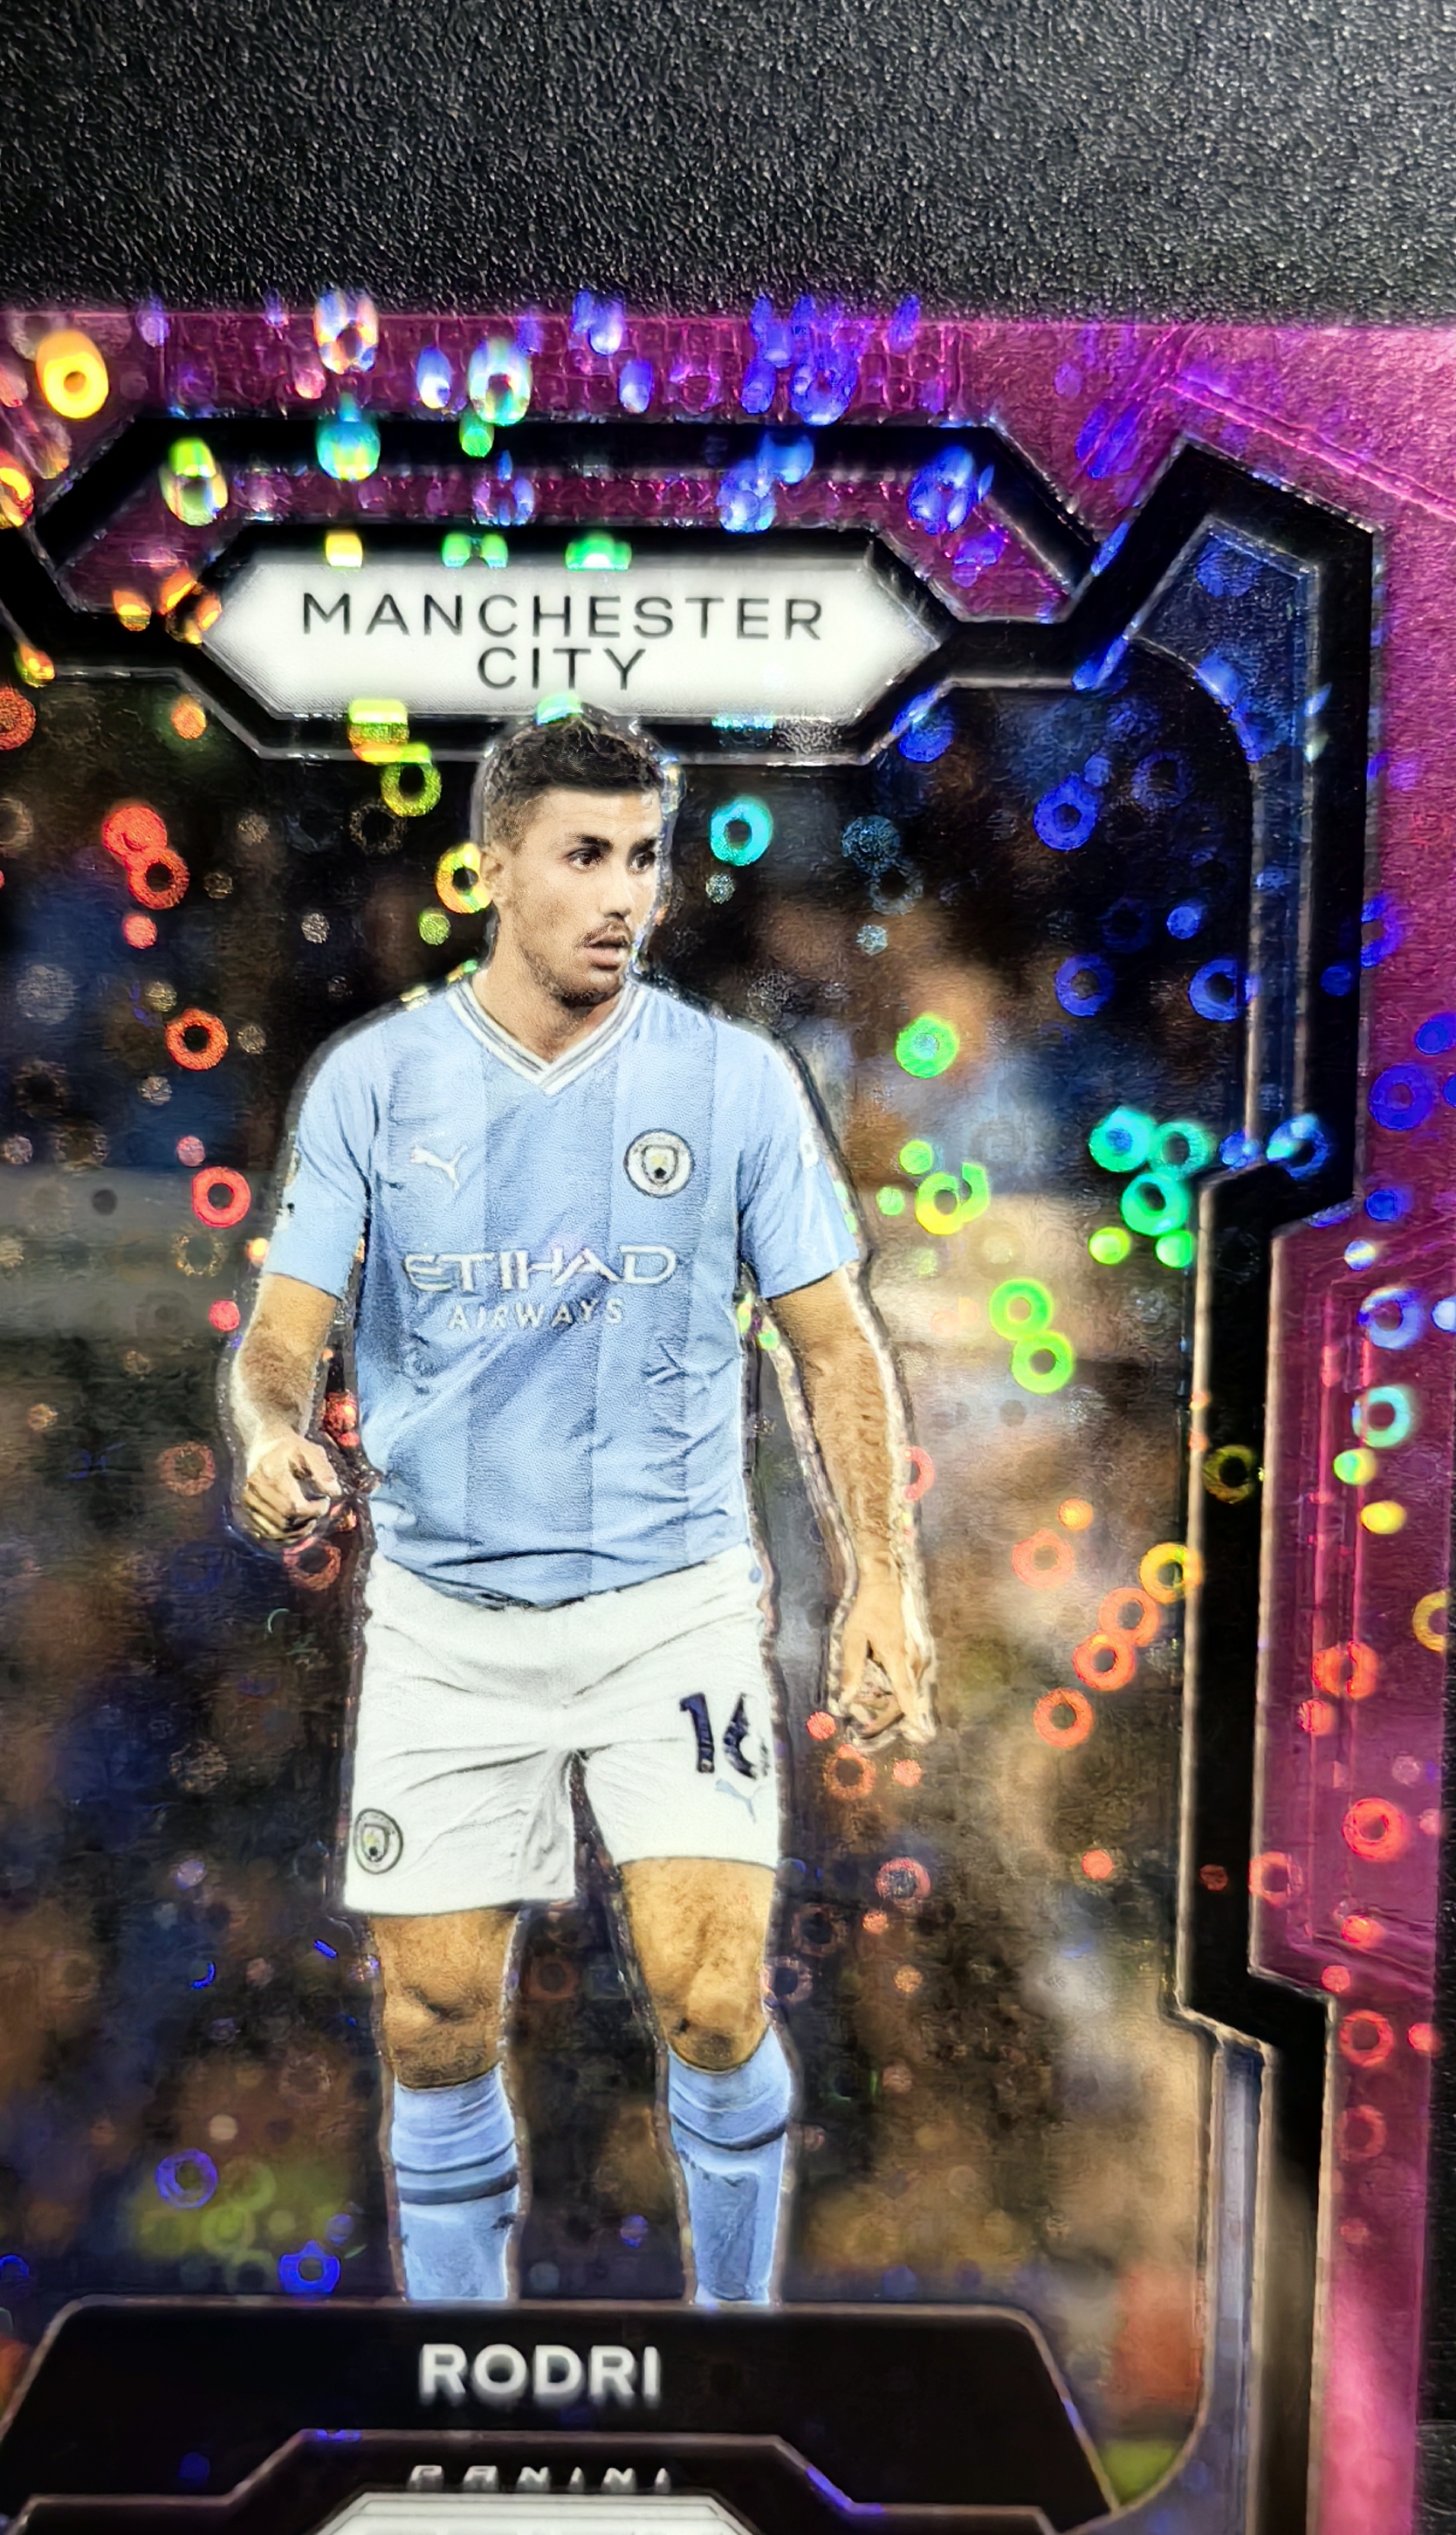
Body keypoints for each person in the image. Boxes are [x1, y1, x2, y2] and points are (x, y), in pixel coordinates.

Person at [225, 711, 931, 2305]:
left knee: (714, 2003)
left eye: (643, 858)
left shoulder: (733, 1083)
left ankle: (736, 2334)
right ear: (494, 869)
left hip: (670, 1613)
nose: (624, 895)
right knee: (432, 2026)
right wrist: (270, 1433)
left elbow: (834, 1346)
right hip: (445, 1621)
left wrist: (882, 1582)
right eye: (585, 856)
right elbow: (279, 1344)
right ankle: (456, 2367)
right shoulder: (376, 1085)